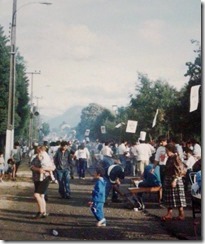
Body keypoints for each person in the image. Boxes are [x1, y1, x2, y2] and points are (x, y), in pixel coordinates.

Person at [161, 143, 187, 221]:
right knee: (169, 198)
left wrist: (175, 180)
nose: (166, 152)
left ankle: (181, 214)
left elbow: (180, 170)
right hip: (169, 179)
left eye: (167, 151)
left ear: (171, 151)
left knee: (178, 198)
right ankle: (169, 214)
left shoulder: (176, 158)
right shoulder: (170, 158)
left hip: (175, 179)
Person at [30, 146, 56, 218]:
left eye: (41, 150)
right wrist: (38, 169)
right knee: (41, 195)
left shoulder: (47, 157)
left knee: (36, 195)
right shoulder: (34, 157)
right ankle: (44, 212)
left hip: (45, 178)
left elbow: (53, 167)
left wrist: (44, 168)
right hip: (36, 178)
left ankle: (40, 212)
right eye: (38, 150)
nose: (39, 151)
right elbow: (31, 166)